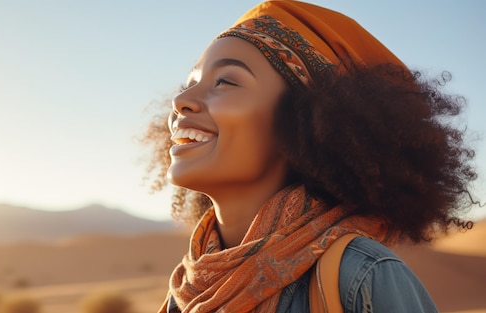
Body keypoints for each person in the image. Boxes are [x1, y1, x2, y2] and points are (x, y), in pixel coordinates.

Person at [141, 1, 478, 312]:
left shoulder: (360, 278)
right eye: (190, 82)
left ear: (304, 120)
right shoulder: (188, 288)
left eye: (226, 81)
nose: (181, 100)